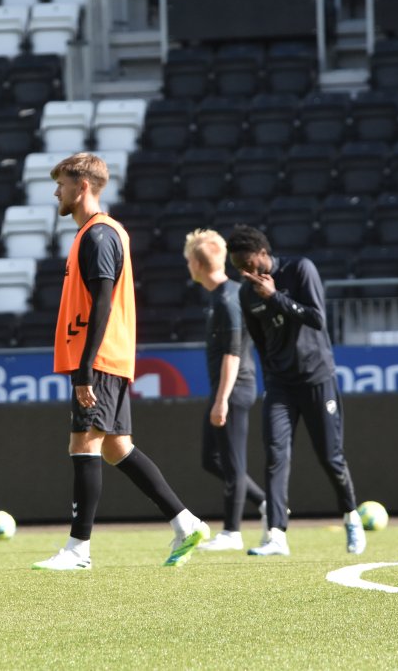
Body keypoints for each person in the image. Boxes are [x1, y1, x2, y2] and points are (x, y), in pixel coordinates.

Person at [33, 153, 209, 572]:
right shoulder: (95, 233)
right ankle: (186, 523)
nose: (56, 192)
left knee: (84, 444)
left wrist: (86, 366)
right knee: (116, 447)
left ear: (82, 186)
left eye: (61, 184)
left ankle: (78, 549)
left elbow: (103, 303)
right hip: (106, 357)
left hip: (99, 358)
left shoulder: (98, 235)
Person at [225, 224, 365, 557]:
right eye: (238, 268)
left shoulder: (300, 269)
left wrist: (275, 297)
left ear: (263, 254)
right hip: (280, 385)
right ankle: (276, 534)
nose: (244, 273)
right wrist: (271, 377)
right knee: (275, 455)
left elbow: (317, 318)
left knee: (330, 457)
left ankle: (351, 516)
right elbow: (260, 343)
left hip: (317, 378)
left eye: (248, 265)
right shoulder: (246, 294)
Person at [183, 229, 267, 552]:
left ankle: (232, 532)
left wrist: (221, 400)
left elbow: (233, 354)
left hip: (233, 389)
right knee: (212, 459)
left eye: (189, 260)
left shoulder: (227, 299)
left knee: (232, 464)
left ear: (197, 264)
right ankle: (266, 503)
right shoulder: (221, 295)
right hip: (225, 390)